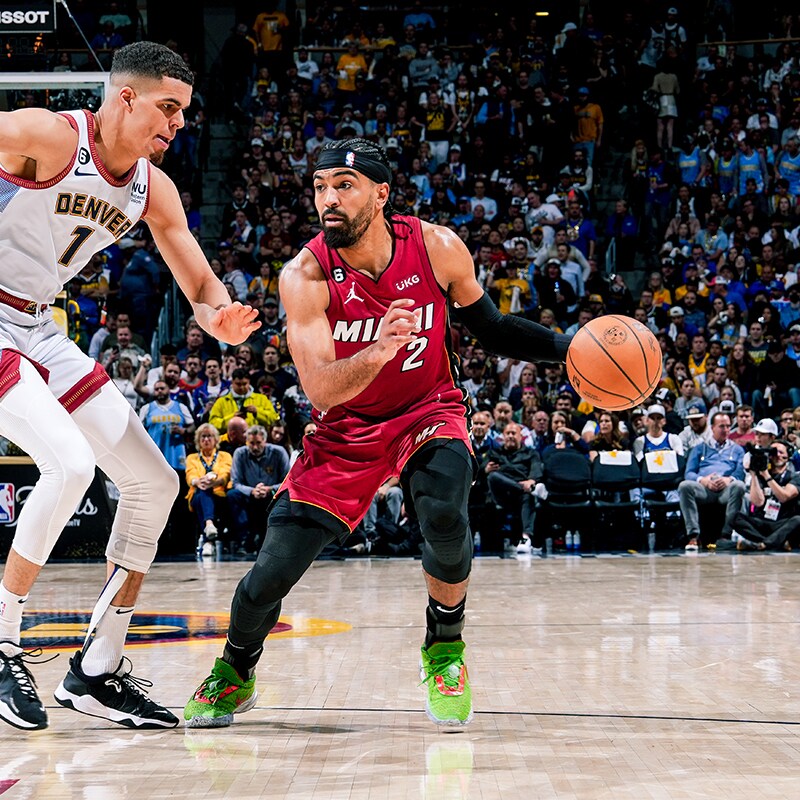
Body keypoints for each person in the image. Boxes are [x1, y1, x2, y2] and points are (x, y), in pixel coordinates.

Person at [184, 138, 573, 729]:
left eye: (344, 184)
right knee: (267, 577)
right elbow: (319, 389)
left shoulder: (437, 247)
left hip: (427, 409)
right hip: (345, 431)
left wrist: (566, 349)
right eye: (319, 186)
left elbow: (490, 327)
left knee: (444, 509)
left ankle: (444, 648)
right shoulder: (306, 275)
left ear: (381, 193)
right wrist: (379, 349)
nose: (327, 198)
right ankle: (235, 671)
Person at [0, 42, 259, 731]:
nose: (176, 125)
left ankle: (96, 669)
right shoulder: (46, 137)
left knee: (155, 482)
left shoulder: (153, 188)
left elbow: (202, 286)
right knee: (71, 464)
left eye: (184, 113)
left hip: (36, 325)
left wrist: (220, 317)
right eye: (167, 108)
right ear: (124, 98)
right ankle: (0, 641)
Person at [678, 413, 746, 551]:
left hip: (725, 490)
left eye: (728, 426)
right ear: (713, 428)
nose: (726, 430)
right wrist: (703, 480)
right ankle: (693, 537)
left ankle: (725, 535)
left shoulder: (738, 450)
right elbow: (689, 473)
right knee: (684, 486)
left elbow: (740, 473)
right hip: (705, 489)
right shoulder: (699, 448)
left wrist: (729, 479)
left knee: (739, 485)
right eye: (722, 426)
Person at [227, 424, 290, 554]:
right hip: (249, 495)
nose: (255, 447)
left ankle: (274, 542)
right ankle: (243, 540)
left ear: (265, 441)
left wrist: (270, 489)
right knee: (232, 495)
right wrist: (252, 491)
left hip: (272, 495)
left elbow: (287, 480)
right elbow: (236, 482)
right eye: (251, 443)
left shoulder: (278, 452)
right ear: (246, 442)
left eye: (258, 443)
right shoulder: (240, 453)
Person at [731, 439, 800, 551]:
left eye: (781, 452)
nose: (777, 455)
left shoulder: (794, 477)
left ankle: (763, 544)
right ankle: (775, 542)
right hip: (763, 521)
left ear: (788, 456)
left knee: (798, 520)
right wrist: (754, 475)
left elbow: (784, 497)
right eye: (774, 452)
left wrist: (767, 476)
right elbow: (758, 502)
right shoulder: (762, 475)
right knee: (735, 517)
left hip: (783, 523)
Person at [185, 423, 233, 557]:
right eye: (203, 437)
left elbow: (225, 473)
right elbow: (190, 475)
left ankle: (208, 539)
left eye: (209, 436)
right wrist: (197, 481)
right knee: (202, 492)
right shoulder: (192, 458)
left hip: (219, 493)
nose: (206, 439)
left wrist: (214, 481)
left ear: (216, 439)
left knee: (205, 493)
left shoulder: (225, 456)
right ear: (198, 441)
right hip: (197, 493)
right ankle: (209, 527)